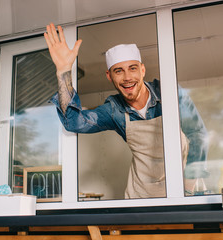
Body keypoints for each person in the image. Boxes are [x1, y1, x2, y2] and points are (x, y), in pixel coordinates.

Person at [44, 23, 208, 199]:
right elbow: (74, 122)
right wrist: (63, 72)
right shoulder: (114, 110)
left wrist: (188, 186)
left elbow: (197, 134)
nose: (127, 77)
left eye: (133, 68)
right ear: (109, 76)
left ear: (142, 70)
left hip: (185, 189)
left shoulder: (169, 93)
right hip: (141, 195)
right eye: (119, 71)